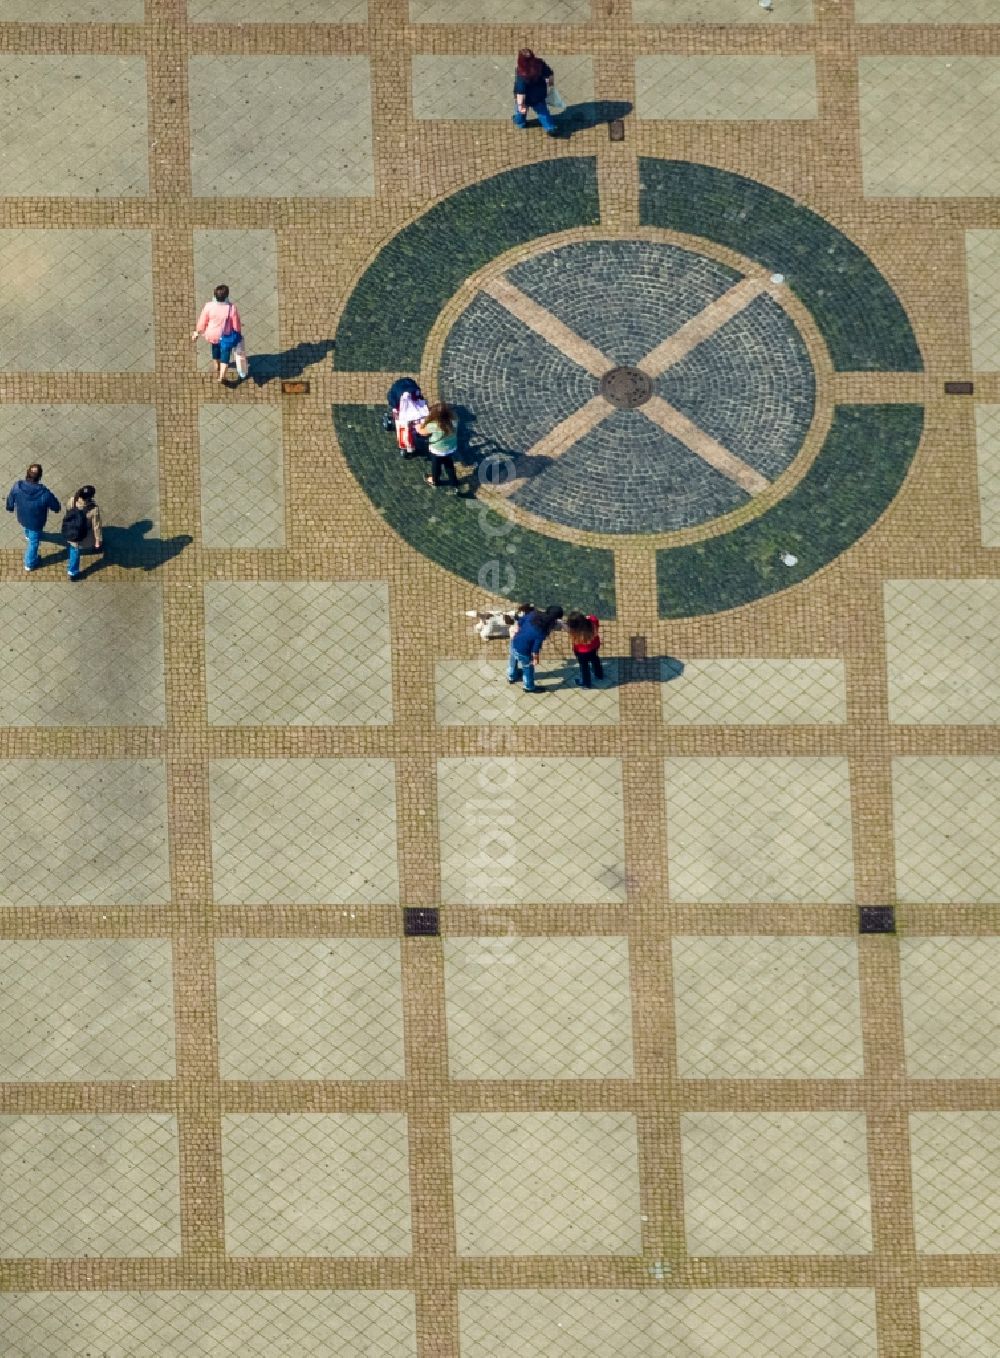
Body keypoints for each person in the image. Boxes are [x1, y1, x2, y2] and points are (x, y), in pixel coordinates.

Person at [5, 463, 60, 573]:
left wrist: (10, 507)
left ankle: (27, 535)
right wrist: (56, 509)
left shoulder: (17, 486)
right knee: (34, 543)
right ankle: (29, 563)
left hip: (22, 517)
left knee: (27, 528)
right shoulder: (44, 493)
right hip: (36, 522)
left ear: (27, 474)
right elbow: (55, 506)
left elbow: (10, 498)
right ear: (39, 477)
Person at [192, 284, 248, 385]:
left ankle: (216, 366)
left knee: (215, 350)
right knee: (225, 357)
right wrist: (238, 335)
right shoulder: (232, 308)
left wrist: (197, 332)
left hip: (213, 335)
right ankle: (222, 376)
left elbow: (202, 321)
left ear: (215, 295)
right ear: (226, 296)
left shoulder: (208, 306)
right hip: (226, 337)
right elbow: (236, 326)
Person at [507, 605, 563, 693]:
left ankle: (511, 676)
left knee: (512, 660)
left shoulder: (533, 614)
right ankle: (528, 687)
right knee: (528, 668)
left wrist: (518, 632)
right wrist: (536, 659)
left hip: (514, 642)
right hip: (524, 651)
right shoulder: (542, 631)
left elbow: (520, 621)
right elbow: (535, 648)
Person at [513, 48, 559, 137]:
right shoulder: (539, 63)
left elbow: (520, 91)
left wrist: (520, 104)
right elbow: (549, 74)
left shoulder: (521, 72)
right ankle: (550, 128)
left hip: (526, 98)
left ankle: (520, 122)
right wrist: (550, 84)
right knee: (543, 112)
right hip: (539, 94)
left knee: (521, 111)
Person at [62, 485, 103, 581]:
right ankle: (95, 548)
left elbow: (68, 510)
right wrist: (98, 540)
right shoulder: (93, 509)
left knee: (74, 550)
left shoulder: (72, 500)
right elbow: (96, 526)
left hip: (72, 530)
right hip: (84, 533)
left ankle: (73, 571)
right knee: (83, 547)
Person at [416, 402, 460, 491]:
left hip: (437, 450)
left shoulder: (434, 425)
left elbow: (421, 431)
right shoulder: (454, 420)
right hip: (451, 448)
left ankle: (434, 480)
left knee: (436, 465)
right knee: (449, 465)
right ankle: (454, 482)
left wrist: (418, 426)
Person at [567, 611, 604, 688]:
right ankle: (599, 674)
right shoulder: (592, 622)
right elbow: (593, 617)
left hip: (581, 652)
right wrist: (588, 617)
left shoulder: (574, 630)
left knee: (584, 667)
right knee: (595, 659)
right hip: (594, 647)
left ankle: (585, 682)